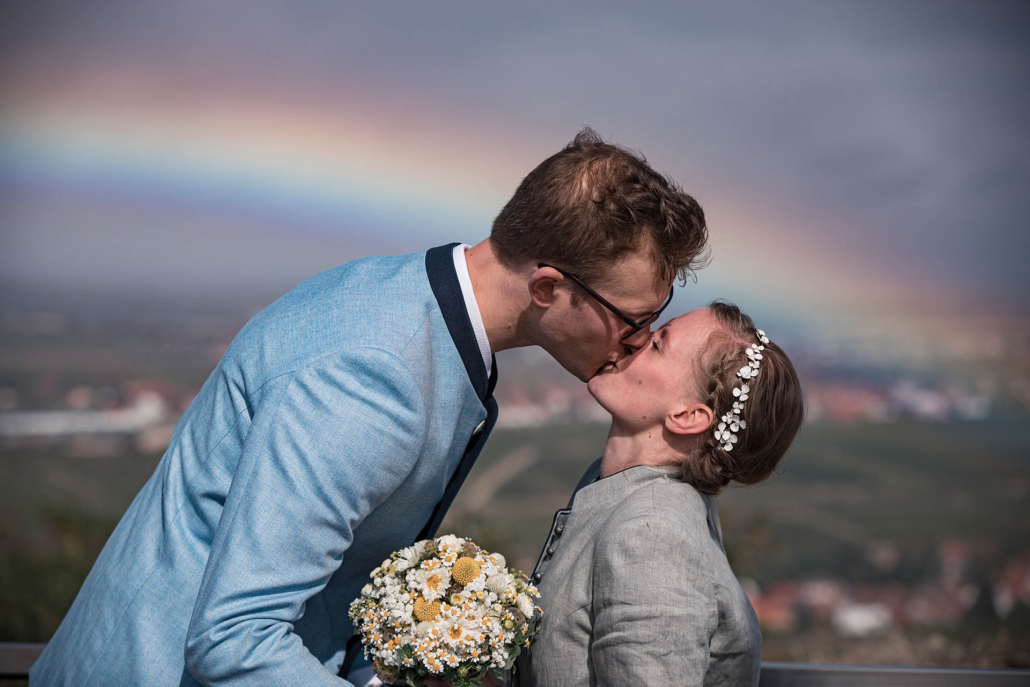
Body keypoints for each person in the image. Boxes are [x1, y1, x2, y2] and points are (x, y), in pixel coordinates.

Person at [30, 128, 709, 686]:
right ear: (548, 287)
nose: (640, 343)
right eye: (634, 319)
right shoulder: (374, 372)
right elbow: (233, 640)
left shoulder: (402, 300)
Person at [520, 302, 805, 687]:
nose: (635, 336)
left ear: (688, 416)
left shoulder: (652, 536)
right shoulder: (610, 484)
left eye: (658, 343)